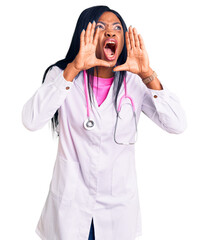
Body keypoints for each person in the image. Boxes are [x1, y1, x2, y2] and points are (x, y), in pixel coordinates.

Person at [21, 5, 187, 240]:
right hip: (70, 207)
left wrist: (148, 74)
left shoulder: (135, 82)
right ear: (84, 34)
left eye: (117, 28)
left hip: (118, 210)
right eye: (101, 27)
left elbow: (178, 124)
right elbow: (30, 120)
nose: (110, 32)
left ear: (122, 40)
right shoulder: (61, 75)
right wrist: (74, 68)